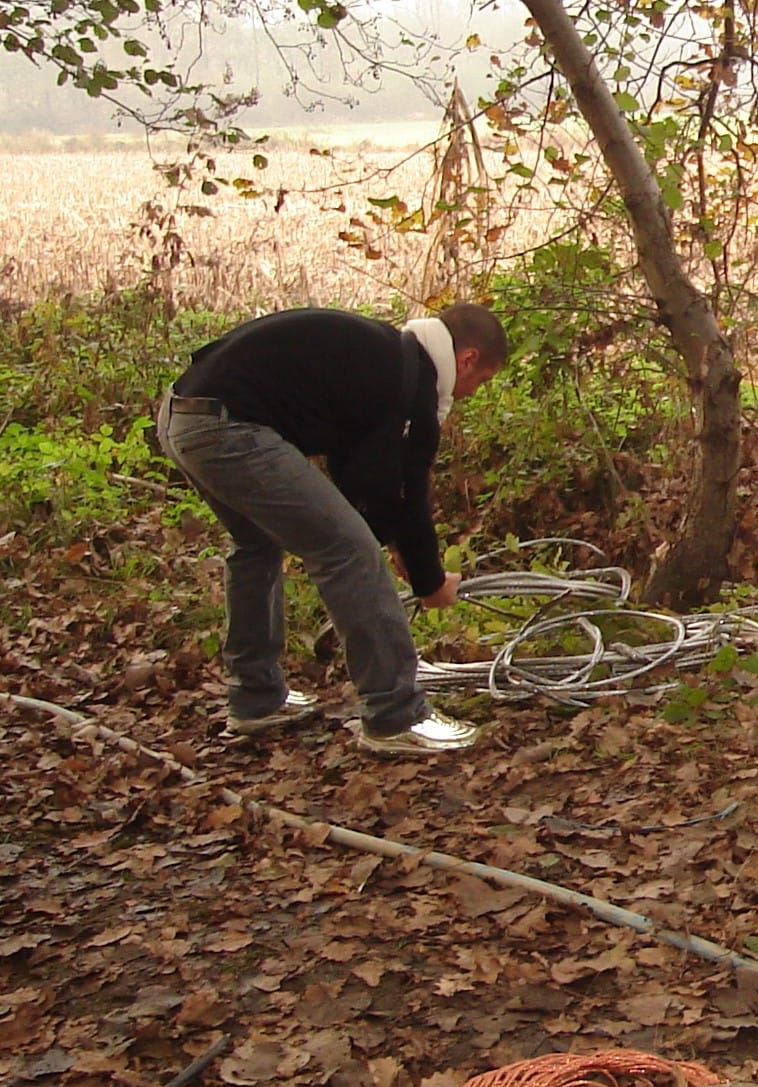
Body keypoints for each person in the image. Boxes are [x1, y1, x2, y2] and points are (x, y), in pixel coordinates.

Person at [154, 303, 507, 754]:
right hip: (228, 429)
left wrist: (398, 543)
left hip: (181, 417)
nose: (474, 393)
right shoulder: (410, 380)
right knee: (347, 551)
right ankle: (395, 715)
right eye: (483, 379)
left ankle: (257, 698)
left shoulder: (386, 356)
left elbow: (364, 475)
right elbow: (407, 485)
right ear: (468, 358)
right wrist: (429, 581)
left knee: (256, 543)